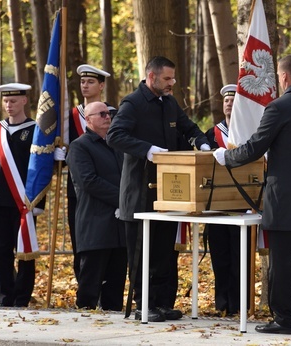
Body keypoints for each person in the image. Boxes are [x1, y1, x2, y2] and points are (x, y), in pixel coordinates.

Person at [213, 55, 291, 335]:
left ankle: (284, 319)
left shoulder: (278, 107)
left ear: (282, 77)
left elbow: (256, 146)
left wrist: (227, 157)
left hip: (284, 196)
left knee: (282, 260)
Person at [106, 56, 211, 322]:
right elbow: (115, 135)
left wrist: (203, 143)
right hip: (140, 192)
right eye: (167, 78)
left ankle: (164, 302)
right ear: (151, 77)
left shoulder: (170, 103)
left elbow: (188, 127)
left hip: (169, 191)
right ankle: (144, 304)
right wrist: (148, 151)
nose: (172, 83)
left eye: (173, 78)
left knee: (165, 252)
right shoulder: (133, 103)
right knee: (143, 252)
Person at [0, 83, 45, 307]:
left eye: (13, 101)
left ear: (24, 101)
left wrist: (39, 201)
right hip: (0, 200)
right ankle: (4, 296)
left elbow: (40, 169)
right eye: (6, 101)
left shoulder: (36, 129)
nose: (9, 105)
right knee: (1, 251)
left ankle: (22, 297)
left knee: (25, 252)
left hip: (25, 202)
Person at [66, 101, 126, 311]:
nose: (107, 117)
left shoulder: (116, 144)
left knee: (115, 285)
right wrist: (123, 198)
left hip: (119, 227)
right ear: (88, 119)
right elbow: (88, 181)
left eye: (109, 113)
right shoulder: (79, 146)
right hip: (96, 224)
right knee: (90, 284)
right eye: (101, 114)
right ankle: (83, 324)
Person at [205, 84, 250, 316]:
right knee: (220, 256)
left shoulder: (248, 131)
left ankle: (240, 303)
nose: (229, 103)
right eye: (226, 100)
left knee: (239, 257)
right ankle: (222, 302)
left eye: (233, 100)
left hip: (242, 203)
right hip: (216, 205)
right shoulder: (212, 134)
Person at [67, 64, 116, 279]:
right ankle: (84, 284)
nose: (85, 86)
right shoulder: (69, 115)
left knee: (107, 243)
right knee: (82, 240)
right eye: (82, 82)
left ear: (101, 85)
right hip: (78, 186)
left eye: (90, 82)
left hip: (107, 188)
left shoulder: (111, 114)